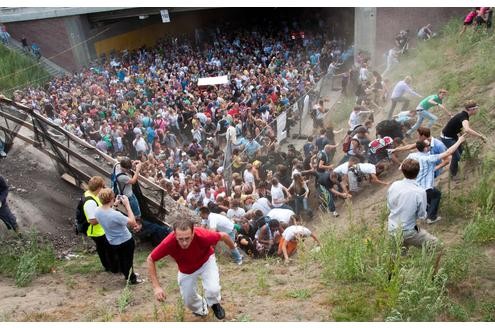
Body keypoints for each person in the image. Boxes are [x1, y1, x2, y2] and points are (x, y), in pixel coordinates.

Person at [147, 218, 239, 319]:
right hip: (186, 269)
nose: (184, 243)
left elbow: (224, 236)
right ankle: (202, 308)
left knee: (213, 289)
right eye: (180, 239)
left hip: (206, 262)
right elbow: (150, 259)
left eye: (187, 238)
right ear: (175, 235)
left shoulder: (203, 235)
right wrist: (156, 287)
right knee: (188, 300)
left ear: (193, 233)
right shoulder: (168, 242)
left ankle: (214, 304)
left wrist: (234, 251)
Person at [405, 134, 466, 224]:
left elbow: (401, 167)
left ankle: (426, 212)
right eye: (428, 145)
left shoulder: (411, 156)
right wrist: (459, 141)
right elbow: (448, 153)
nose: (430, 146)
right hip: (425, 187)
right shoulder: (428, 158)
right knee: (436, 195)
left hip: (414, 186)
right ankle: (431, 217)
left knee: (427, 198)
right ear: (425, 149)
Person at [387, 158, 439, 248]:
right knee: (437, 245)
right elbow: (421, 215)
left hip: (392, 228)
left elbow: (389, 204)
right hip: (408, 230)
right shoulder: (419, 191)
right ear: (418, 171)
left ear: (402, 171)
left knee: (400, 256)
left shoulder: (394, 185)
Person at [95, 188, 142, 284]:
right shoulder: (115, 214)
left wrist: (114, 204)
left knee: (121, 258)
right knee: (128, 260)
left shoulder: (97, 211)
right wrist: (127, 205)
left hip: (112, 241)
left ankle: (127, 274)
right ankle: (131, 279)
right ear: (112, 198)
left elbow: (107, 213)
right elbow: (132, 222)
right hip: (125, 240)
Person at [440, 100, 487, 177]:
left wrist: (460, 136)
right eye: (476, 108)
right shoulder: (464, 117)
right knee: (456, 156)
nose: (477, 110)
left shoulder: (464, 115)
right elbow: (467, 129)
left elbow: (458, 125)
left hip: (453, 135)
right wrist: (480, 136)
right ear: (471, 109)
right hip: (447, 138)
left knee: (460, 152)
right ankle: (453, 175)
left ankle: (454, 168)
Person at [83, 176, 118, 273]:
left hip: (102, 229)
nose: (103, 188)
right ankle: (111, 267)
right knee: (107, 250)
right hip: (97, 232)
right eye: (102, 186)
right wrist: (105, 215)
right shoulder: (89, 201)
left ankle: (110, 267)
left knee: (106, 249)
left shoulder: (94, 195)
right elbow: (92, 221)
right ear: (98, 187)